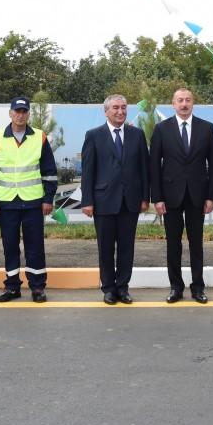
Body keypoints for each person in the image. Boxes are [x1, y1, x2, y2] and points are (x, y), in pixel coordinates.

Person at [0, 96, 57, 303]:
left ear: (28, 114)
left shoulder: (39, 137)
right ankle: (12, 286)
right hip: (6, 202)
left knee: (35, 246)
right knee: (10, 245)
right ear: (10, 113)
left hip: (34, 201)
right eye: (17, 111)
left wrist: (48, 198)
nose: (20, 115)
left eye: (24, 111)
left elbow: (49, 172)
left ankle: (37, 287)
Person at [150, 88, 213, 304]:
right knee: (173, 244)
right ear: (173, 104)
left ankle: (198, 288)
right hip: (170, 196)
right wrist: (157, 198)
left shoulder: (207, 128)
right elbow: (154, 166)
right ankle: (176, 287)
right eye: (180, 100)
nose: (184, 104)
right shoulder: (161, 129)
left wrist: (211, 197)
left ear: (193, 103)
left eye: (188, 100)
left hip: (197, 196)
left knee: (196, 244)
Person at [80, 94, 149, 305]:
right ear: (106, 111)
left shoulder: (137, 135)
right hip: (103, 202)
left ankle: (123, 288)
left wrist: (145, 197)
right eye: (115, 108)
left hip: (131, 201)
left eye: (123, 107)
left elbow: (144, 169)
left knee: (127, 248)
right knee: (106, 248)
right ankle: (108, 288)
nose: (120, 111)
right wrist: (87, 201)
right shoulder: (94, 135)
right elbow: (88, 171)